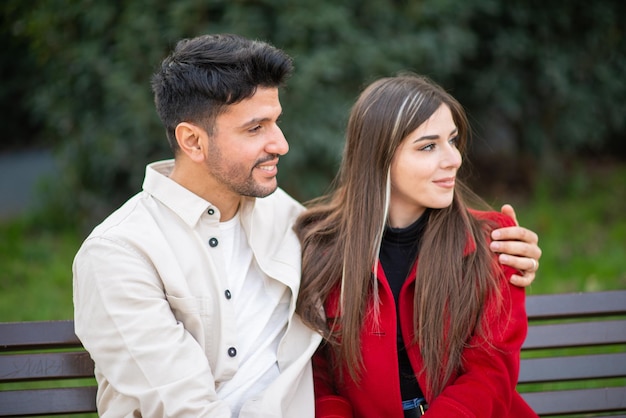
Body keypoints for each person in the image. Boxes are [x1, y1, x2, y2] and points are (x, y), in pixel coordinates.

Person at [72, 34, 540, 417]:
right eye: (255, 129)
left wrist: (509, 252)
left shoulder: (293, 222)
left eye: (277, 121)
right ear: (192, 141)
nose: (282, 143)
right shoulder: (120, 253)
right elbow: (181, 407)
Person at [295, 73, 539, 417]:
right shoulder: (322, 247)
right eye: (428, 146)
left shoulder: (495, 241)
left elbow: (491, 370)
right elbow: (318, 374)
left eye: (452, 140)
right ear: (378, 158)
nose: (453, 159)